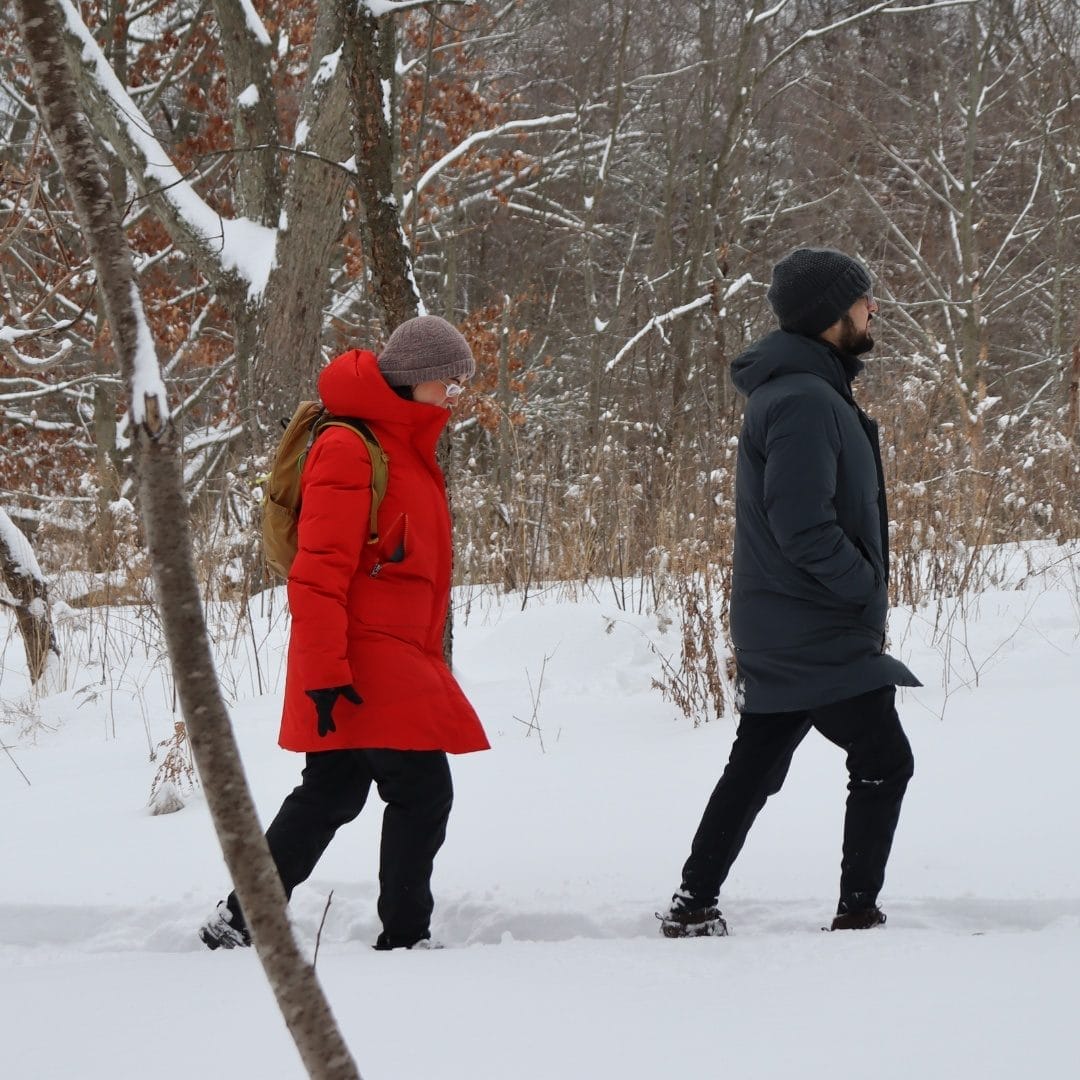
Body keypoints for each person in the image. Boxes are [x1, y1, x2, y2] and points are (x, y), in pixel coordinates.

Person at [200, 315, 490, 952]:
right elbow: (319, 571)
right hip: (361, 654)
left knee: (331, 792)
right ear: (414, 380)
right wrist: (327, 670)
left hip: (381, 651)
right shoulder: (350, 447)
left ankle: (240, 919)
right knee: (422, 791)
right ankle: (407, 936)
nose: (452, 394)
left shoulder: (397, 442)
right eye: (447, 380)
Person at [658, 247, 920, 937]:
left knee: (758, 763)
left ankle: (693, 903)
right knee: (884, 757)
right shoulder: (804, 400)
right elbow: (803, 525)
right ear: (833, 316)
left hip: (794, 622)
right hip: (815, 625)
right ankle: (857, 913)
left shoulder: (811, 391)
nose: (873, 310)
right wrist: (862, 586)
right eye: (864, 299)